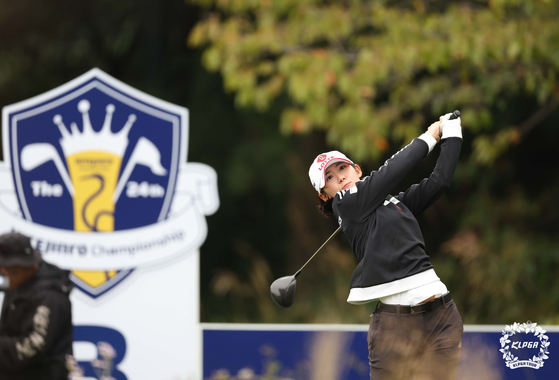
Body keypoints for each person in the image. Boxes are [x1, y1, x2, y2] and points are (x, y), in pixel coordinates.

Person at [308, 113, 464, 380]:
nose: (341, 178)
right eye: (331, 178)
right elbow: (390, 172)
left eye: (342, 169)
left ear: (357, 169)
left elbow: (439, 182)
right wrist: (429, 137)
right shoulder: (345, 204)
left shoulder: (396, 204)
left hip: (442, 314)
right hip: (395, 325)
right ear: (325, 195)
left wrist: (452, 134)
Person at [0, 231, 74, 380]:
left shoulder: (50, 296)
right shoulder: (19, 282)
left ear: (23, 266)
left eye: (8, 270)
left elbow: (32, 347)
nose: (4, 273)